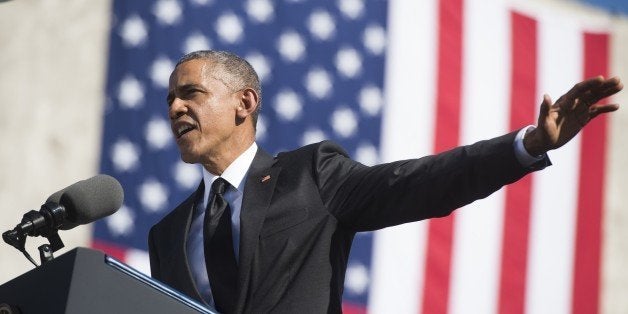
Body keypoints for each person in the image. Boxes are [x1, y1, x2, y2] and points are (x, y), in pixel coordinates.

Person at [148, 50, 623, 313]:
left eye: (190, 93)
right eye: (169, 99)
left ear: (245, 103)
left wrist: (529, 144)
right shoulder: (166, 235)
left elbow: (419, 183)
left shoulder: (310, 175)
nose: (174, 109)